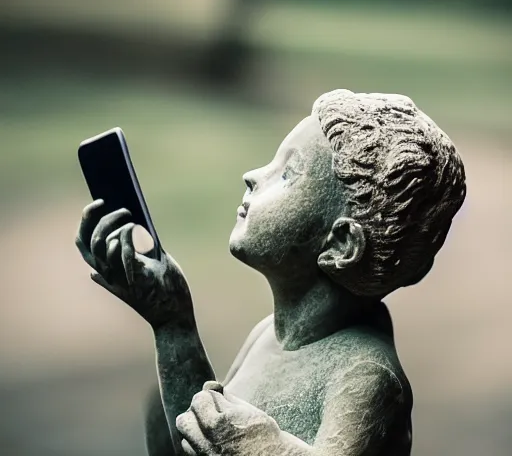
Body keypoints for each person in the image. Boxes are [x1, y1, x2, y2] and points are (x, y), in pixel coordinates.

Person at [75, 89, 466, 455]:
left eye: (286, 173)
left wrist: (267, 448)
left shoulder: (368, 379)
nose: (252, 174)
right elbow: (207, 442)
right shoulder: (267, 334)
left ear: (341, 244)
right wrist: (172, 323)